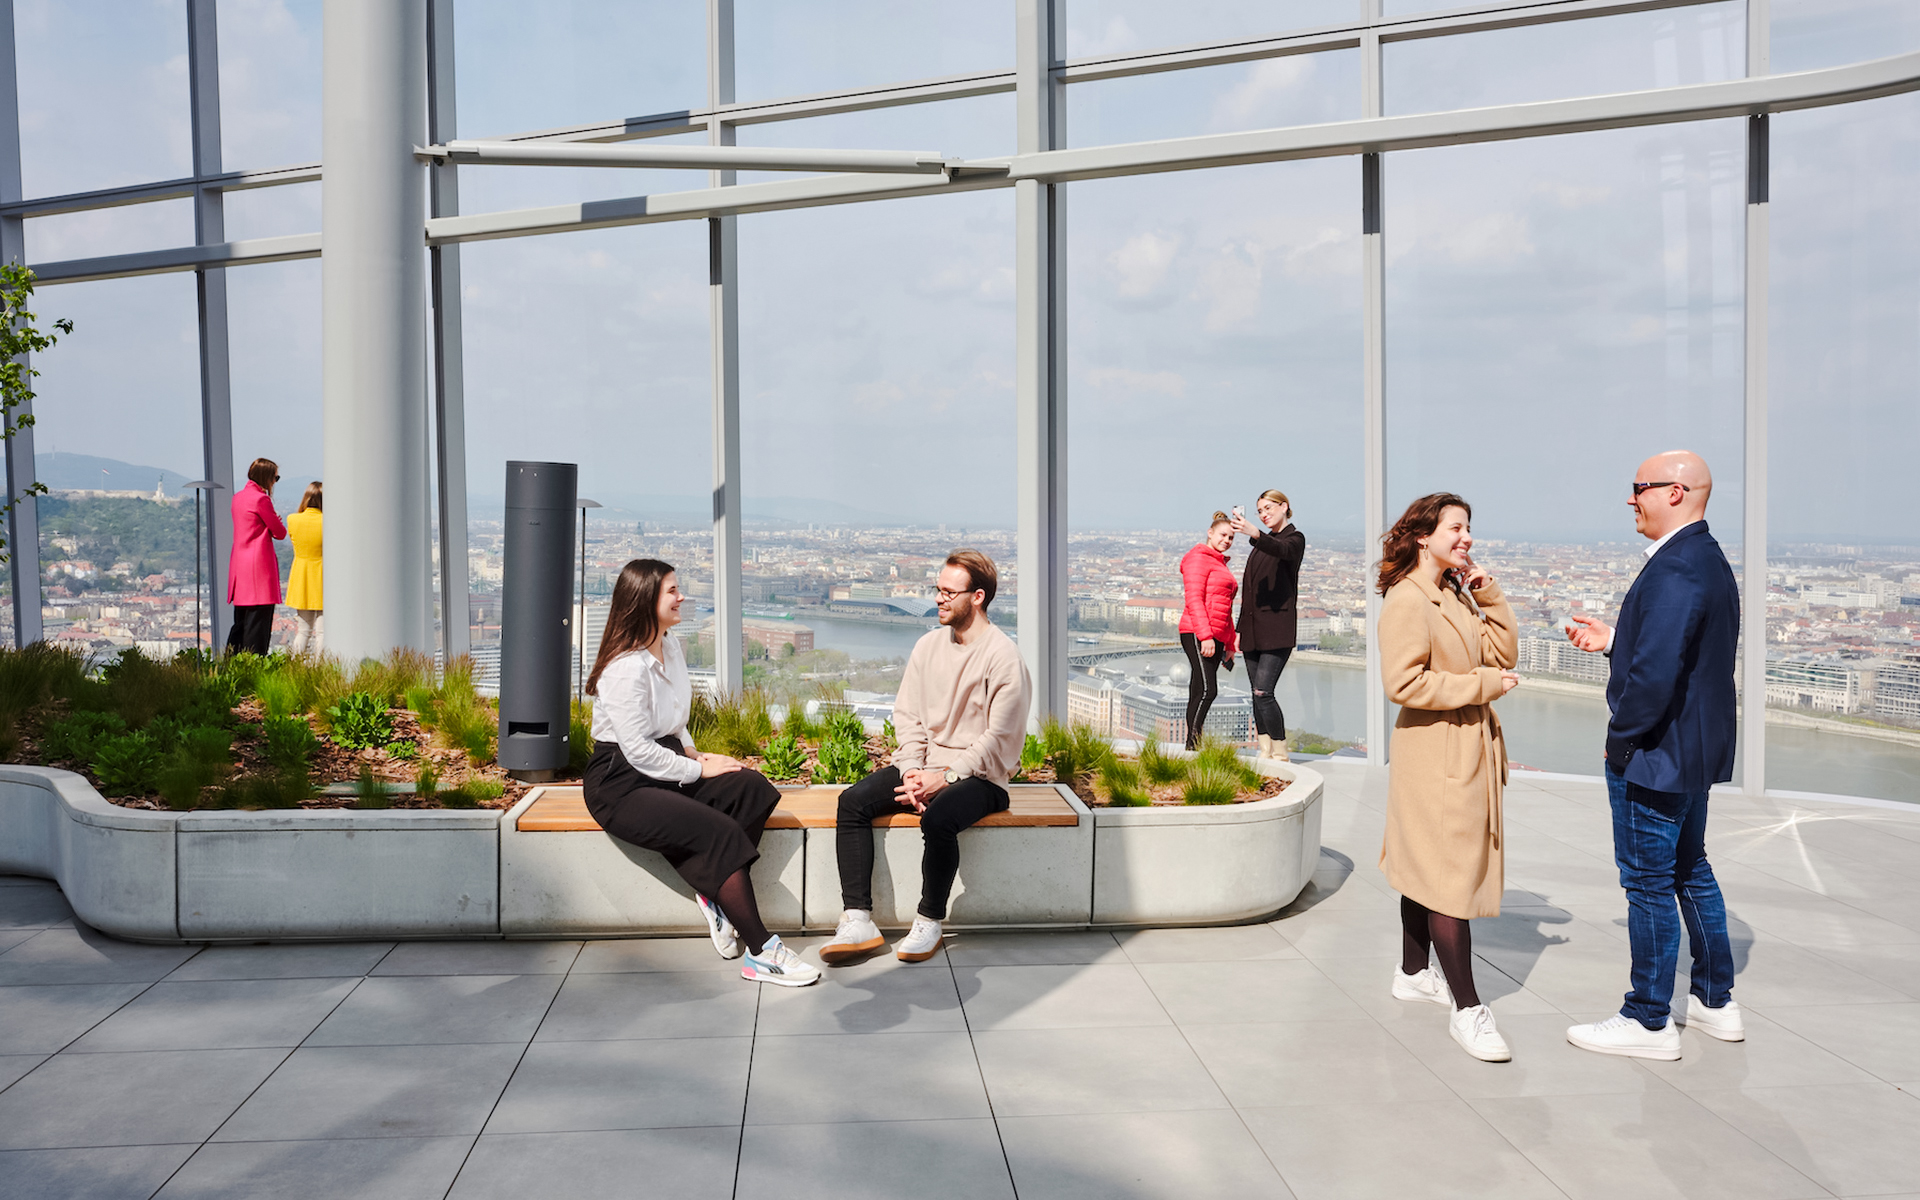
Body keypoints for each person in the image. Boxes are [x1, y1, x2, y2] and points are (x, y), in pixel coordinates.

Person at [1562, 451, 1741, 1059]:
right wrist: (1616, 641)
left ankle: (1647, 1018)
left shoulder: (1673, 570)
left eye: (1639, 487)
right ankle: (1716, 1001)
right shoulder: (1707, 559)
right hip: (1691, 751)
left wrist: (1620, 741)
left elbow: (1657, 677)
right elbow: (1684, 656)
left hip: (1656, 754)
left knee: (1647, 884)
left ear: (1676, 491)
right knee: (1691, 869)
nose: (1631, 499)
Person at [582, 558, 818, 987]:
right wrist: (696, 769)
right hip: (620, 782)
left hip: (666, 759)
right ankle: (762, 953)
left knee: (752, 788)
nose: (681, 597)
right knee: (720, 833)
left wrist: (694, 751)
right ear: (645, 600)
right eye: (672, 590)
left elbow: (674, 717)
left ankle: (713, 892)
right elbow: (636, 751)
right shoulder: (624, 669)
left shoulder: (669, 645)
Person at [819, 549, 1032, 965]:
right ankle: (858, 918)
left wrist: (947, 777)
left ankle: (930, 920)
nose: (939, 598)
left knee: (939, 819)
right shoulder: (927, 646)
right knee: (852, 803)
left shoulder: (1004, 656)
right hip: (927, 767)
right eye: (938, 589)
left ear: (978, 597)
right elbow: (909, 716)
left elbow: (999, 740)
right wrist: (914, 769)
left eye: (949, 592)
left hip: (985, 778)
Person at [1377, 492, 1521, 1063]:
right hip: (1435, 752)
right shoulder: (1408, 601)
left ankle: (1413, 971)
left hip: (1460, 746)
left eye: (1468, 529)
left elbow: (1502, 651)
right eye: (1456, 529)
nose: (1466, 538)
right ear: (1422, 536)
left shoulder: (1451, 592)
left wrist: (1488, 593)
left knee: (1426, 868)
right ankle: (1468, 1008)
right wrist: (1482, 688)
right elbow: (1404, 684)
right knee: (1448, 876)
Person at [1231, 490, 1305, 761]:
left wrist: (1255, 533)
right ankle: (1265, 751)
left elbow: (1283, 551)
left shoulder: (1293, 539)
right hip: (1252, 629)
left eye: (1268, 508)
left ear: (1285, 506)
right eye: (1260, 511)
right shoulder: (1263, 544)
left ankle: (1281, 752)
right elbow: (1249, 592)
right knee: (1255, 693)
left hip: (1277, 629)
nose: (1264, 514)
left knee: (1263, 691)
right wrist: (1239, 630)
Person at [1178, 512, 1238, 750]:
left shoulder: (1218, 562)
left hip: (1216, 634)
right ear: (1210, 532)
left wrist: (1230, 643)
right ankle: (1193, 745)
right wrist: (1205, 636)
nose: (1227, 540)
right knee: (1207, 689)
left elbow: (1226, 607)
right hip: (1197, 631)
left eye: (1232, 537)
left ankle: (1192, 745)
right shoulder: (1198, 558)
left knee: (1198, 690)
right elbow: (1194, 599)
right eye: (1223, 535)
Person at [226, 457, 287, 656]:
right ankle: (253, 669)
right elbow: (280, 532)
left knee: (241, 624)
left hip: (240, 567)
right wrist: (275, 519)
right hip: (258, 568)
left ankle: (232, 665)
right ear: (267, 477)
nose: (275, 482)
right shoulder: (261, 499)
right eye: (275, 477)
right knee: (258, 628)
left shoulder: (238, 497)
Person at [284, 482, 324, 656]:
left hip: (301, 576)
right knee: (323, 632)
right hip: (323, 576)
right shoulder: (328, 521)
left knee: (303, 630)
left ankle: (295, 667)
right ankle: (319, 668)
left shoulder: (292, 519)